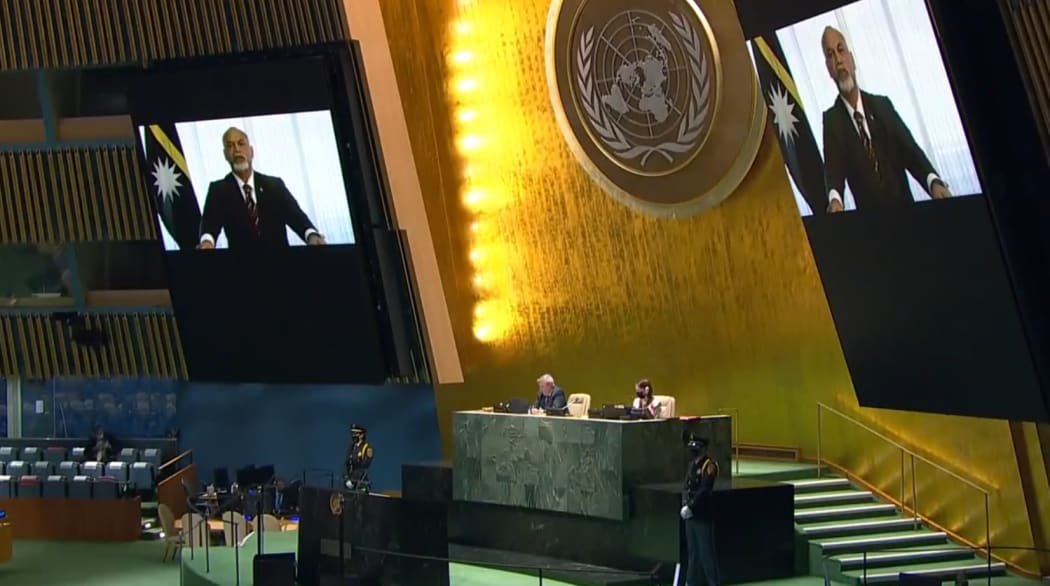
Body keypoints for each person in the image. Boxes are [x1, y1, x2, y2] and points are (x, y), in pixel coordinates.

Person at [820, 26, 952, 213]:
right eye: (831, 55)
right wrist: (835, 200)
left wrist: (933, 182)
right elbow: (833, 171)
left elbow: (910, 150)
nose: (838, 60)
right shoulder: (832, 121)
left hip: (907, 214)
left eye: (841, 50)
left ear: (852, 59)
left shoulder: (882, 106)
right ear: (828, 68)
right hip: (873, 224)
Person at [198, 127, 326, 249]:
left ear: (251, 151)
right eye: (230, 146)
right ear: (225, 155)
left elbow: (296, 216)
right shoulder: (218, 190)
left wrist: (311, 234)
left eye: (241, 144)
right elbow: (209, 225)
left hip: (280, 261)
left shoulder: (274, 185)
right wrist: (207, 242)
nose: (236, 149)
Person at [680, 436, 719, 586]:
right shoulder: (692, 465)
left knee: (706, 554)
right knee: (693, 554)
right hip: (690, 516)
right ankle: (691, 582)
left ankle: (713, 583)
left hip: (702, 515)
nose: (693, 451)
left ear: (703, 448)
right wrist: (685, 504)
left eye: (696, 448)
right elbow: (686, 487)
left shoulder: (709, 465)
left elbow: (705, 489)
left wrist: (691, 505)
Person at [344, 424, 373, 490]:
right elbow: (346, 463)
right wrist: (346, 478)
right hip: (349, 482)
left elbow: (363, 466)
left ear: (362, 435)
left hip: (360, 482)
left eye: (356, 434)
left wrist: (353, 480)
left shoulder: (367, 448)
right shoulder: (351, 447)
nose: (353, 435)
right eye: (353, 433)